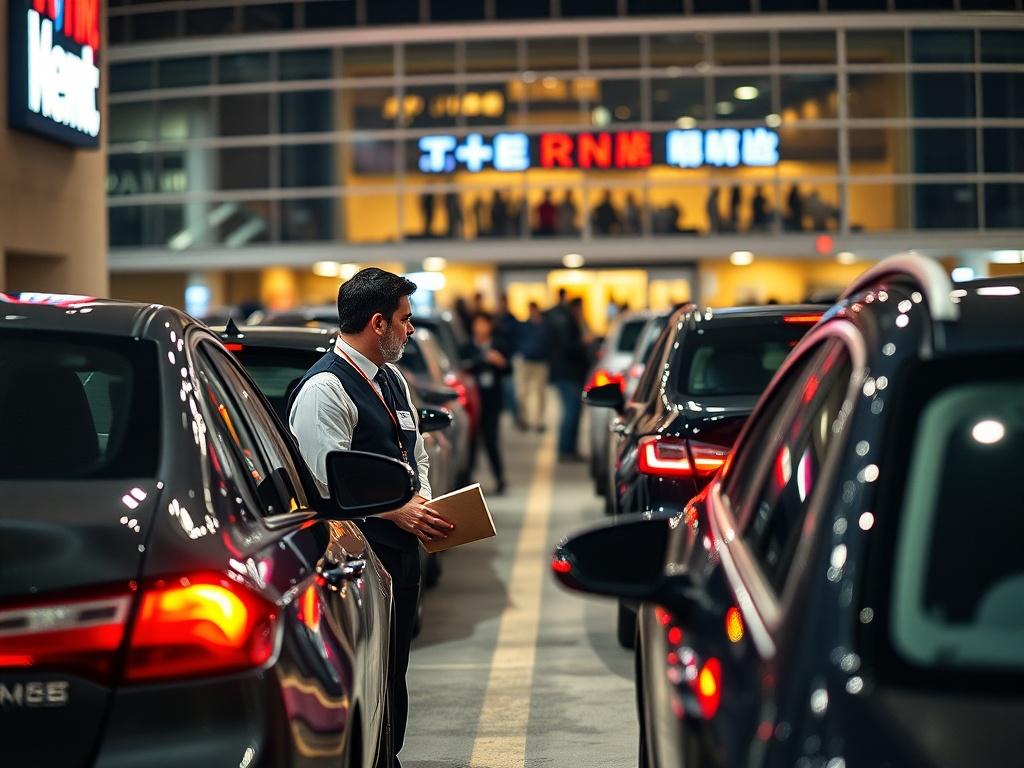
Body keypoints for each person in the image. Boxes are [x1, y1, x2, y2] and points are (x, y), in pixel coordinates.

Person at [287, 268, 454, 768]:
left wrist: (419, 504)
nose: (410, 331)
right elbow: (326, 484)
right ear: (378, 323)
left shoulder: (391, 379)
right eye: (404, 321)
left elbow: (414, 455)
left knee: (394, 670)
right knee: (371, 673)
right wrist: (397, 511)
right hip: (358, 556)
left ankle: (390, 754)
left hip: (399, 553)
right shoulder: (325, 390)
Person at [461, 312, 511, 494]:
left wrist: (501, 363)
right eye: (478, 323)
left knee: (491, 440)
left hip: (492, 400)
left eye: (484, 324)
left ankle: (500, 478)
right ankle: (467, 480)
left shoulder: (499, 345)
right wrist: (482, 360)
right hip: (472, 400)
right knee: (471, 441)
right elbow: (462, 366)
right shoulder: (467, 347)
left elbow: (509, 369)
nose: (481, 328)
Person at [545, 293, 590, 461]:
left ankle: (569, 448)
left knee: (572, 411)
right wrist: (583, 342)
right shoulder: (566, 321)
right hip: (568, 373)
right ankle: (566, 450)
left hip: (567, 372)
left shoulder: (562, 319)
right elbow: (567, 347)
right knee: (571, 411)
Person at [494, 294, 526, 430]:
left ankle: (517, 418)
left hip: (508, 361)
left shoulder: (511, 319)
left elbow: (518, 337)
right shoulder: (495, 320)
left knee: (511, 392)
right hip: (495, 363)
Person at [517, 301, 550, 432]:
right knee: (523, 392)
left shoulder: (544, 326)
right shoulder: (525, 326)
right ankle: (524, 419)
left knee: (540, 393)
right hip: (526, 361)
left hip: (541, 361)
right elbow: (517, 340)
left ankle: (538, 421)